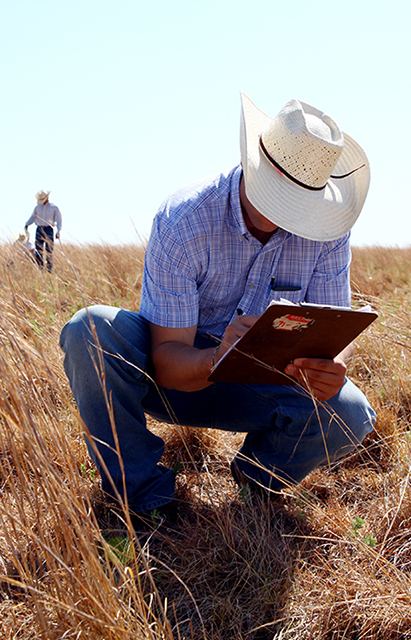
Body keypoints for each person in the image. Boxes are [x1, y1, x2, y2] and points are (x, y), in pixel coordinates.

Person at [59, 93, 376, 515]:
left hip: (264, 382)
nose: (283, 213)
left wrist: (329, 366)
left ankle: (260, 479)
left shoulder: (327, 232)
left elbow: (332, 331)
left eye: (297, 202)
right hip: (176, 374)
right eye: (278, 192)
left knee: (351, 413)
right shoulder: (185, 218)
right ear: (251, 161)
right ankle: (141, 495)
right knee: (91, 331)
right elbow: (169, 362)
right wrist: (218, 358)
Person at [24, 190, 62, 272]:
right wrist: (27, 224)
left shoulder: (54, 207)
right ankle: (40, 268)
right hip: (39, 229)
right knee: (38, 250)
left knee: (49, 250)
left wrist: (58, 231)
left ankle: (49, 269)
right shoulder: (37, 207)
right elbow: (33, 217)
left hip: (49, 229)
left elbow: (58, 220)